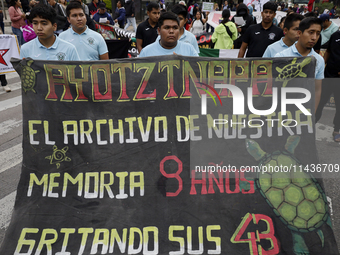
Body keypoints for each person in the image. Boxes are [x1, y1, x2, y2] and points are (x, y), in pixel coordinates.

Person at [275, 17, 324, 111]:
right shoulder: (281, 56)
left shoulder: (319, 60)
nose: (314, 37)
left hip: (304, 111)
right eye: (311, 32)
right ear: (299, 33)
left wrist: (312, 112)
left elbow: (317, 89)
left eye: (318, 34)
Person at [315, 30, 340, 142]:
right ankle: (311, 125)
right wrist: (323, 65)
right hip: (329, 76)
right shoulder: (335, 35)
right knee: (320, 102)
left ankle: (336, 130)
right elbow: (328, 51)